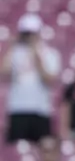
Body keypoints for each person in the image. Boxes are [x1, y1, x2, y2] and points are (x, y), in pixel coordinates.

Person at [1, 14, 61, 143]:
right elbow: (3, 72)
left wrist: (36, 54)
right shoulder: (15, 53)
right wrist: (12, 47)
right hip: (18, 109)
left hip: (40, 110)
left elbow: (49, 79)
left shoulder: (50, 53)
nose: (29, 37)